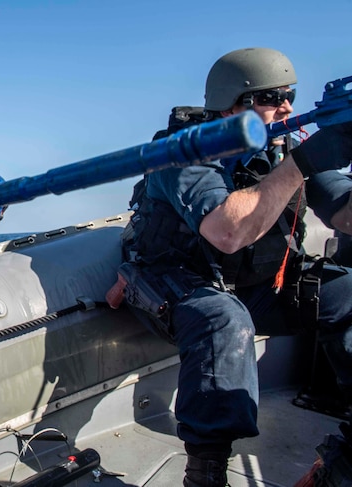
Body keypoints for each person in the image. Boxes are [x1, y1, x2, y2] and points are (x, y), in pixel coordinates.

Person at [119, 47, 352, 487]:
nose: (286, 108)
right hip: (181, 287)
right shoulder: (180, 153)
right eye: (272, 97)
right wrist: (301, 165)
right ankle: (206, 473)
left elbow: (344, 213)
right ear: (232, 103)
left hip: (258, 284)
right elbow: (228, 232)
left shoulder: (285, 146)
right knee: (224, 318)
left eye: (290, 95)